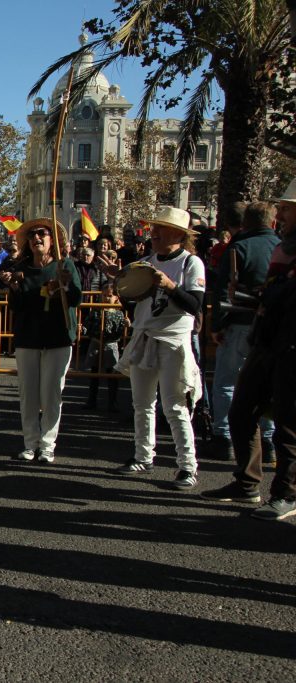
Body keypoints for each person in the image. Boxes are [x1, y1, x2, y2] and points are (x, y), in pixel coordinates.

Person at [202, 180, 296, 514]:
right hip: (265, 338)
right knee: (242, 410)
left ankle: (286, 493)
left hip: (290, 344)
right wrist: (259, 298)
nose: (279, 215)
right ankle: (247, 482)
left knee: (288, 422)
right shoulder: (282, 247)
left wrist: (269, 297)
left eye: (286, 209)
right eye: (279, 208)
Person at [102, 207, 205, 489]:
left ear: (179, 235)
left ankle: (187, 466)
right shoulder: (145, 263)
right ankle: (143, 456)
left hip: (173, 341)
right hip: (144, 337)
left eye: (161, 228)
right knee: (142, 404)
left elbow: (195, 305)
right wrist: (120, 281)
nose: (154, 233)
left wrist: (171, 286)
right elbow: (132, 302)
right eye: (154, 228)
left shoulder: (190, 263)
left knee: (175, 406)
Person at [0, 219, 81, 462]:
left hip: (57, 338)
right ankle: (29, 443)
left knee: (51, 394)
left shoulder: (65, 265)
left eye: (42, 233)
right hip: (28, 337)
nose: (36, 238)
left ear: (51, 239)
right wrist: (13, 287)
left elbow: (76, 299)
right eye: (32, 235)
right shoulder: (20, 267)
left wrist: (66, 284)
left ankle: (47, 445)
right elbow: (17, 306)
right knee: (29, 395)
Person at [207, 202, 280, 462]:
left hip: (239, 322)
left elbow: (223, 291)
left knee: (227, 381)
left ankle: (224, 437)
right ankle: (268, 440)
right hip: (272, 326)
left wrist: (217, 325)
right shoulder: (282, 247)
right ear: (272, 222)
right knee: (268, 384)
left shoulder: (239, 247)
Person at [82, 283, 127, 411]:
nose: (107, 298)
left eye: (110, 296)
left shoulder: (119, 313)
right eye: (104, 295)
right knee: (94, 373)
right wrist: (83, 329)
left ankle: (112, 402)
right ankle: (91, 400)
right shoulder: (96, 311)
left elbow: (120, 331)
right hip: (96, 342)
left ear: (116, 297)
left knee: (112, 374)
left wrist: (126, 325)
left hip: (111, 344)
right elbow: (88, 324)